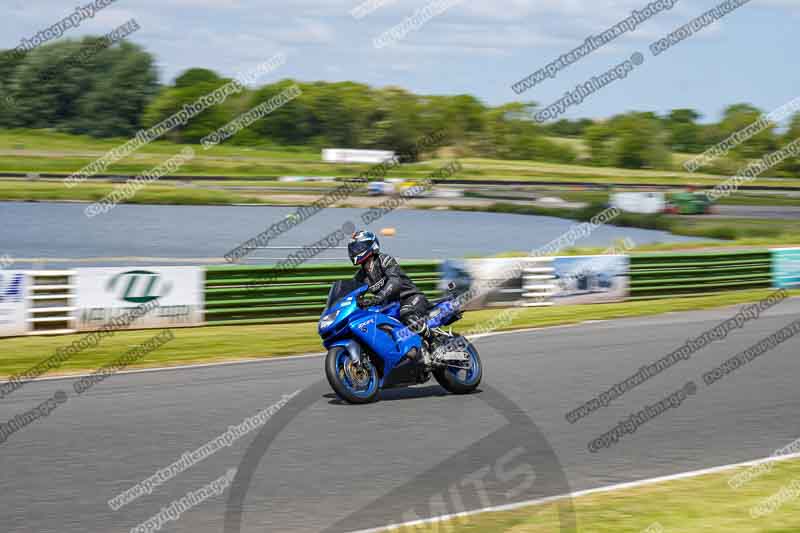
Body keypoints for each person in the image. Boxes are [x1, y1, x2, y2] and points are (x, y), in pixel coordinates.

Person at [348, 230, 431, 345]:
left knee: (406, 313)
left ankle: (433, 341)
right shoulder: (360, 276)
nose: (355, 251)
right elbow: (352, 292)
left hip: (410, 297)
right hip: (390, 305)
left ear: (370, 245)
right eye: (353, 248)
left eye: (358, 247)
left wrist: (378, 297)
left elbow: (395, 281)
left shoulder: (384, 260)